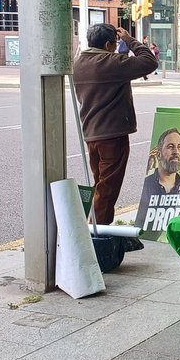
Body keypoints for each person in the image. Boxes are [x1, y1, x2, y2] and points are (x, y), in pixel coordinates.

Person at [72, 23, 158, 226]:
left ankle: (97, 225)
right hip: (112, 133)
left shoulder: (78, 62)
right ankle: (97, 232)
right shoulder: (110, 62)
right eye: (115, 43)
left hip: (91, 132)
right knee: (108, 187)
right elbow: (149, 62)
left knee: (101, 183)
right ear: (109, 44)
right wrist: (129, 40)